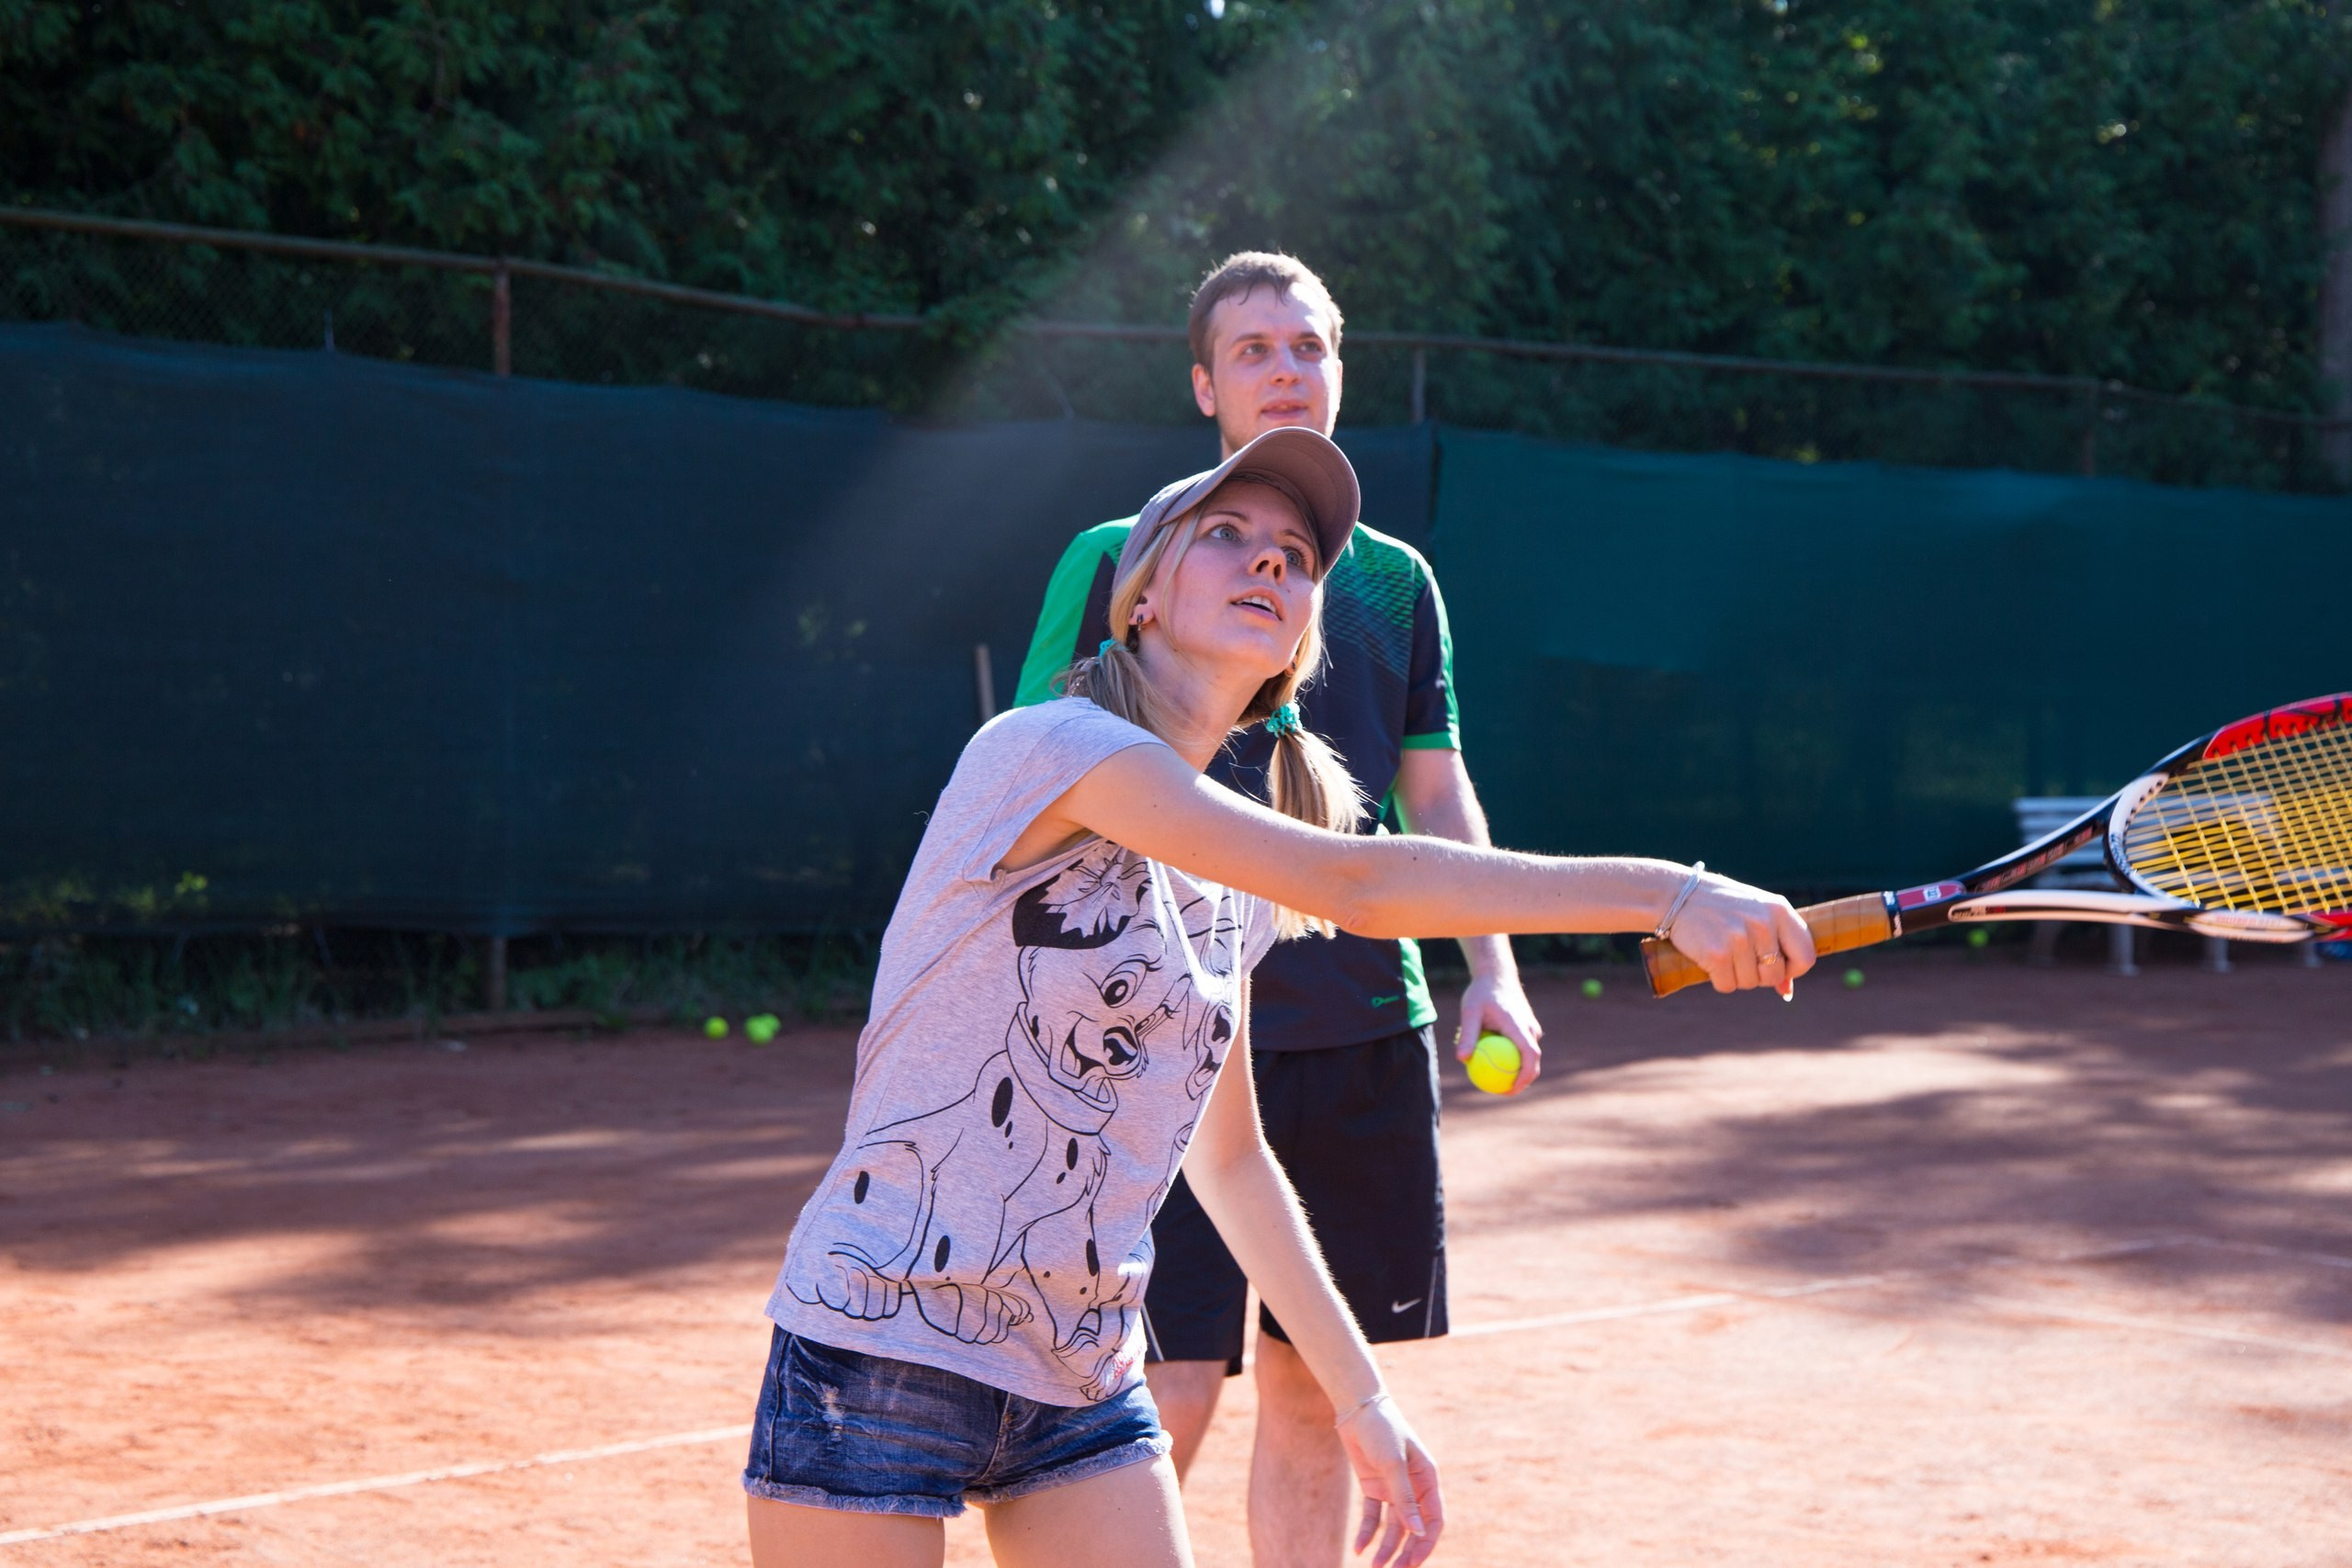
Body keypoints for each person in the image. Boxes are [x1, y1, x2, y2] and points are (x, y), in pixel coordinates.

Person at [745, 426, 1815, 1568]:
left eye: (1295, 555)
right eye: (1227, 535)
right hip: (883, 1338)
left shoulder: (1229, 880)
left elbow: (1236, 1162)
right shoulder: (1046, 748)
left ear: (1302, 635)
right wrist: (1668, 893)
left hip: (1078, 1375)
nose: (1269, 562)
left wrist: (1363, 1399)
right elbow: (1355, 880)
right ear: (1141, 600)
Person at [1012, 252, 1532, 1564]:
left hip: (1361, 1027)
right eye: (1255, 350)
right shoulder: (1113, 558)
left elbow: (1436, 785)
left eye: (1311, 346)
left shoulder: (1398, 581)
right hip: (1162, 1030)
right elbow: (1034, 764)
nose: (1289, 370)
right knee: (1165, 1382)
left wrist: (1497, 968)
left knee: (1312, 1386)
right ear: (1205, 385)